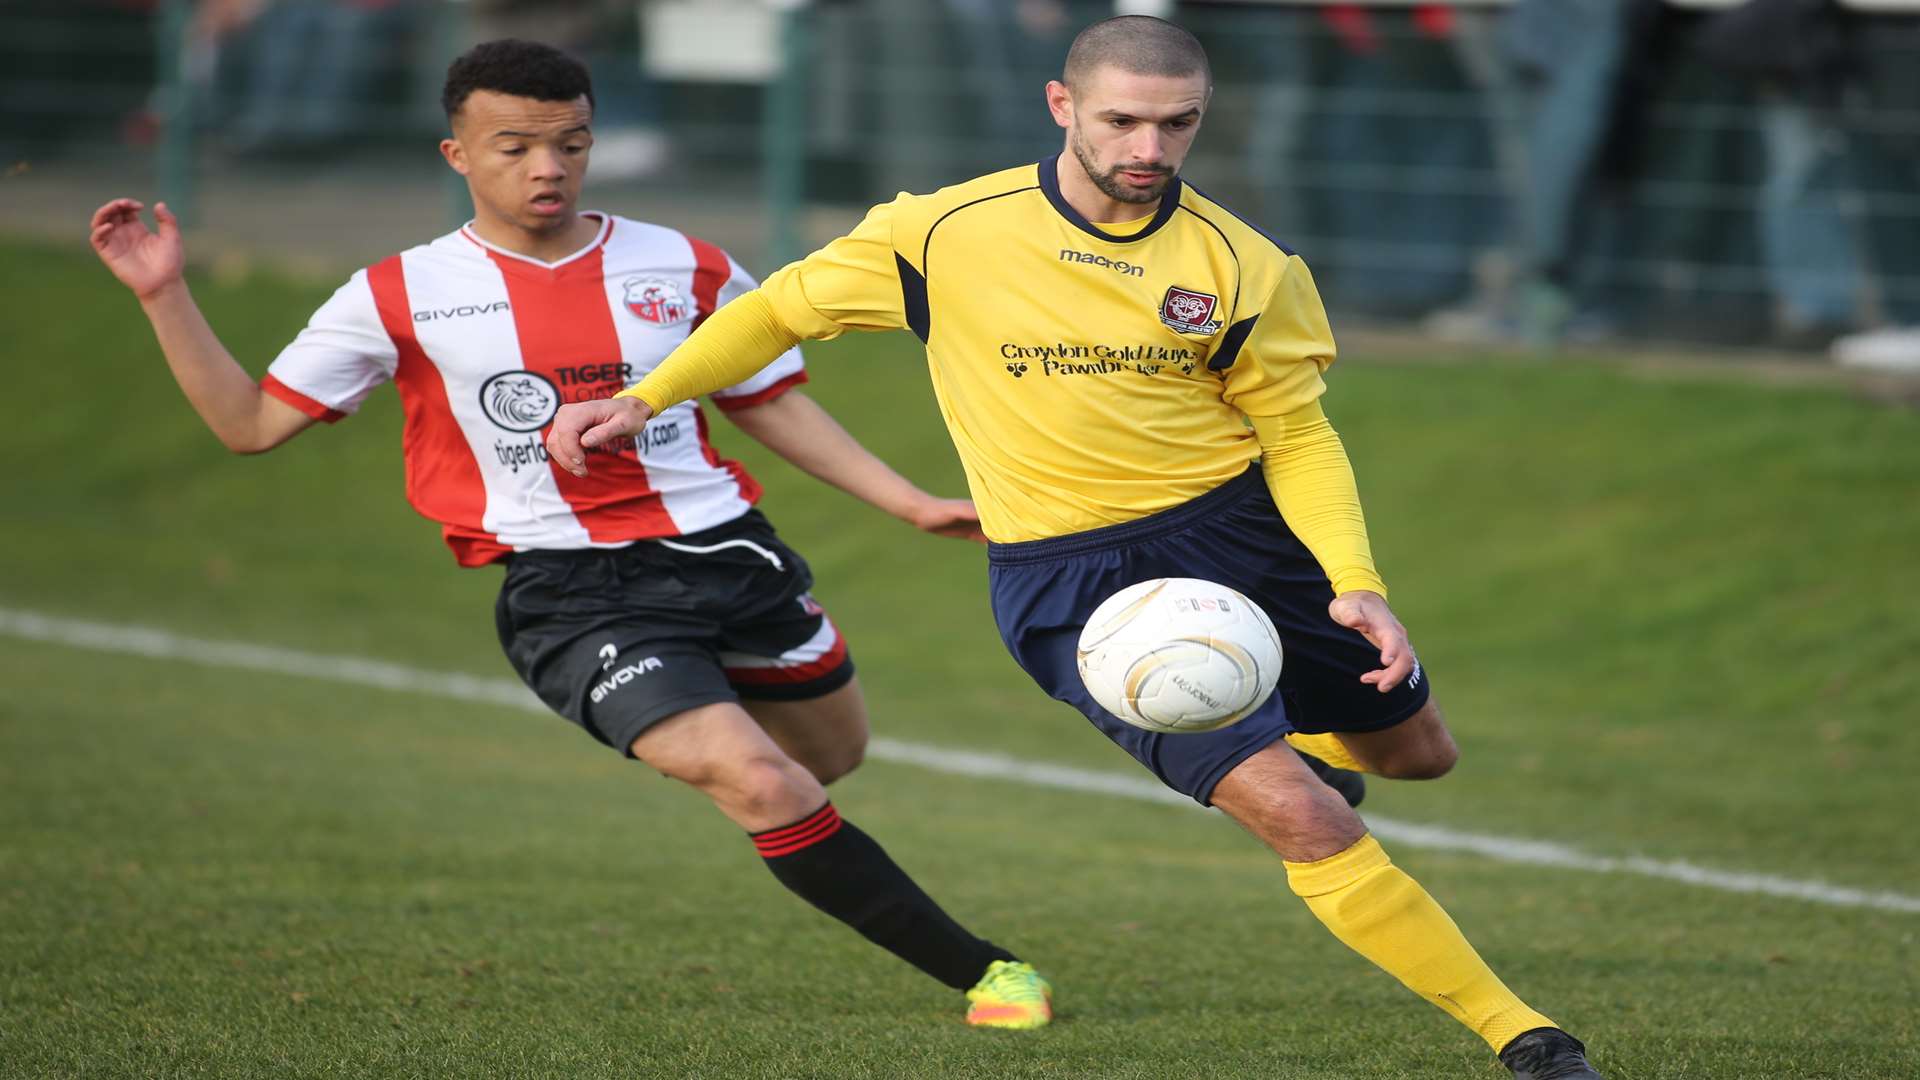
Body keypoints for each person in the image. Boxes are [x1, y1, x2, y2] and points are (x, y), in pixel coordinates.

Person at [549, 16, 1604, 1078]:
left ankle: (1317, 739)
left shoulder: (1246, 266)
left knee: (1419, 756)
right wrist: (646, 399)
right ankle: (1524, 1035)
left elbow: (1296, 433)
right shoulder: (944, 232)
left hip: (1240, 536)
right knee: (1303, 819)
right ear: (1063, 107)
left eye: (1176, 124)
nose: (1148, 147)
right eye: (1123, 120)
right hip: (1075, 585)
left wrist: (1355, 585)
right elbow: (774, 311)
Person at [87, 38, 1053, 1031]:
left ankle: (734, 739)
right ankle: (990, 975)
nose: (547, 167)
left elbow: (765, 400)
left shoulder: (686, 264)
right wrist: (163, 293)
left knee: (830, 760)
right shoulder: (395, 294)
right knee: (761, 781)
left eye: (571, 143)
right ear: (456, 155)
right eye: (514, 147)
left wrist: (906, 501)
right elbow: (249, 426)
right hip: (570, 592)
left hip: (730, 557)